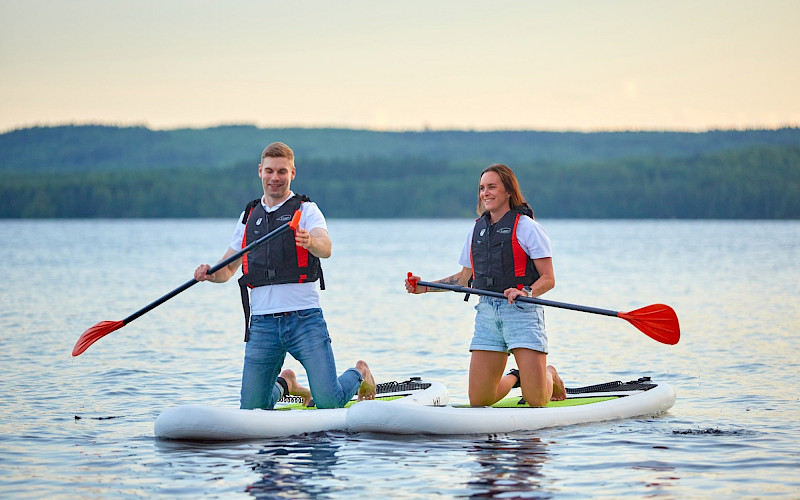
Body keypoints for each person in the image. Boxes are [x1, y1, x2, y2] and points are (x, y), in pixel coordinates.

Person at [195, 141, 376, 410]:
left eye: (282, 171)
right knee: (253, 410)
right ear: (260, 171)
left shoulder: (306, 210)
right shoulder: (249, 215)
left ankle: (360, 372)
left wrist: (311, 243)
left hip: (304, 320)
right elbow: (228, 269)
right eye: (269, 171)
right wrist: (210, 274)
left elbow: (326, 247)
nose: (275, 178)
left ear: (292, 173)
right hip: (263, 325)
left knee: (328, 403)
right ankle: (286, 384)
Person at [405, 164, 566, 407]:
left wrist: (526, 291)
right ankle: (517, 376)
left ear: (508, 192)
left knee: (537, 402)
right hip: (488, 315)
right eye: (482, 188)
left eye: (492, 187)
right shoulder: (476, 230)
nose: (485, 193)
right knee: (479, 400)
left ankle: (549, 374)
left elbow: (548, 279)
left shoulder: (527, 228)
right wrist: (424, 287)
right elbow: (463, 279)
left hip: (522, 313)